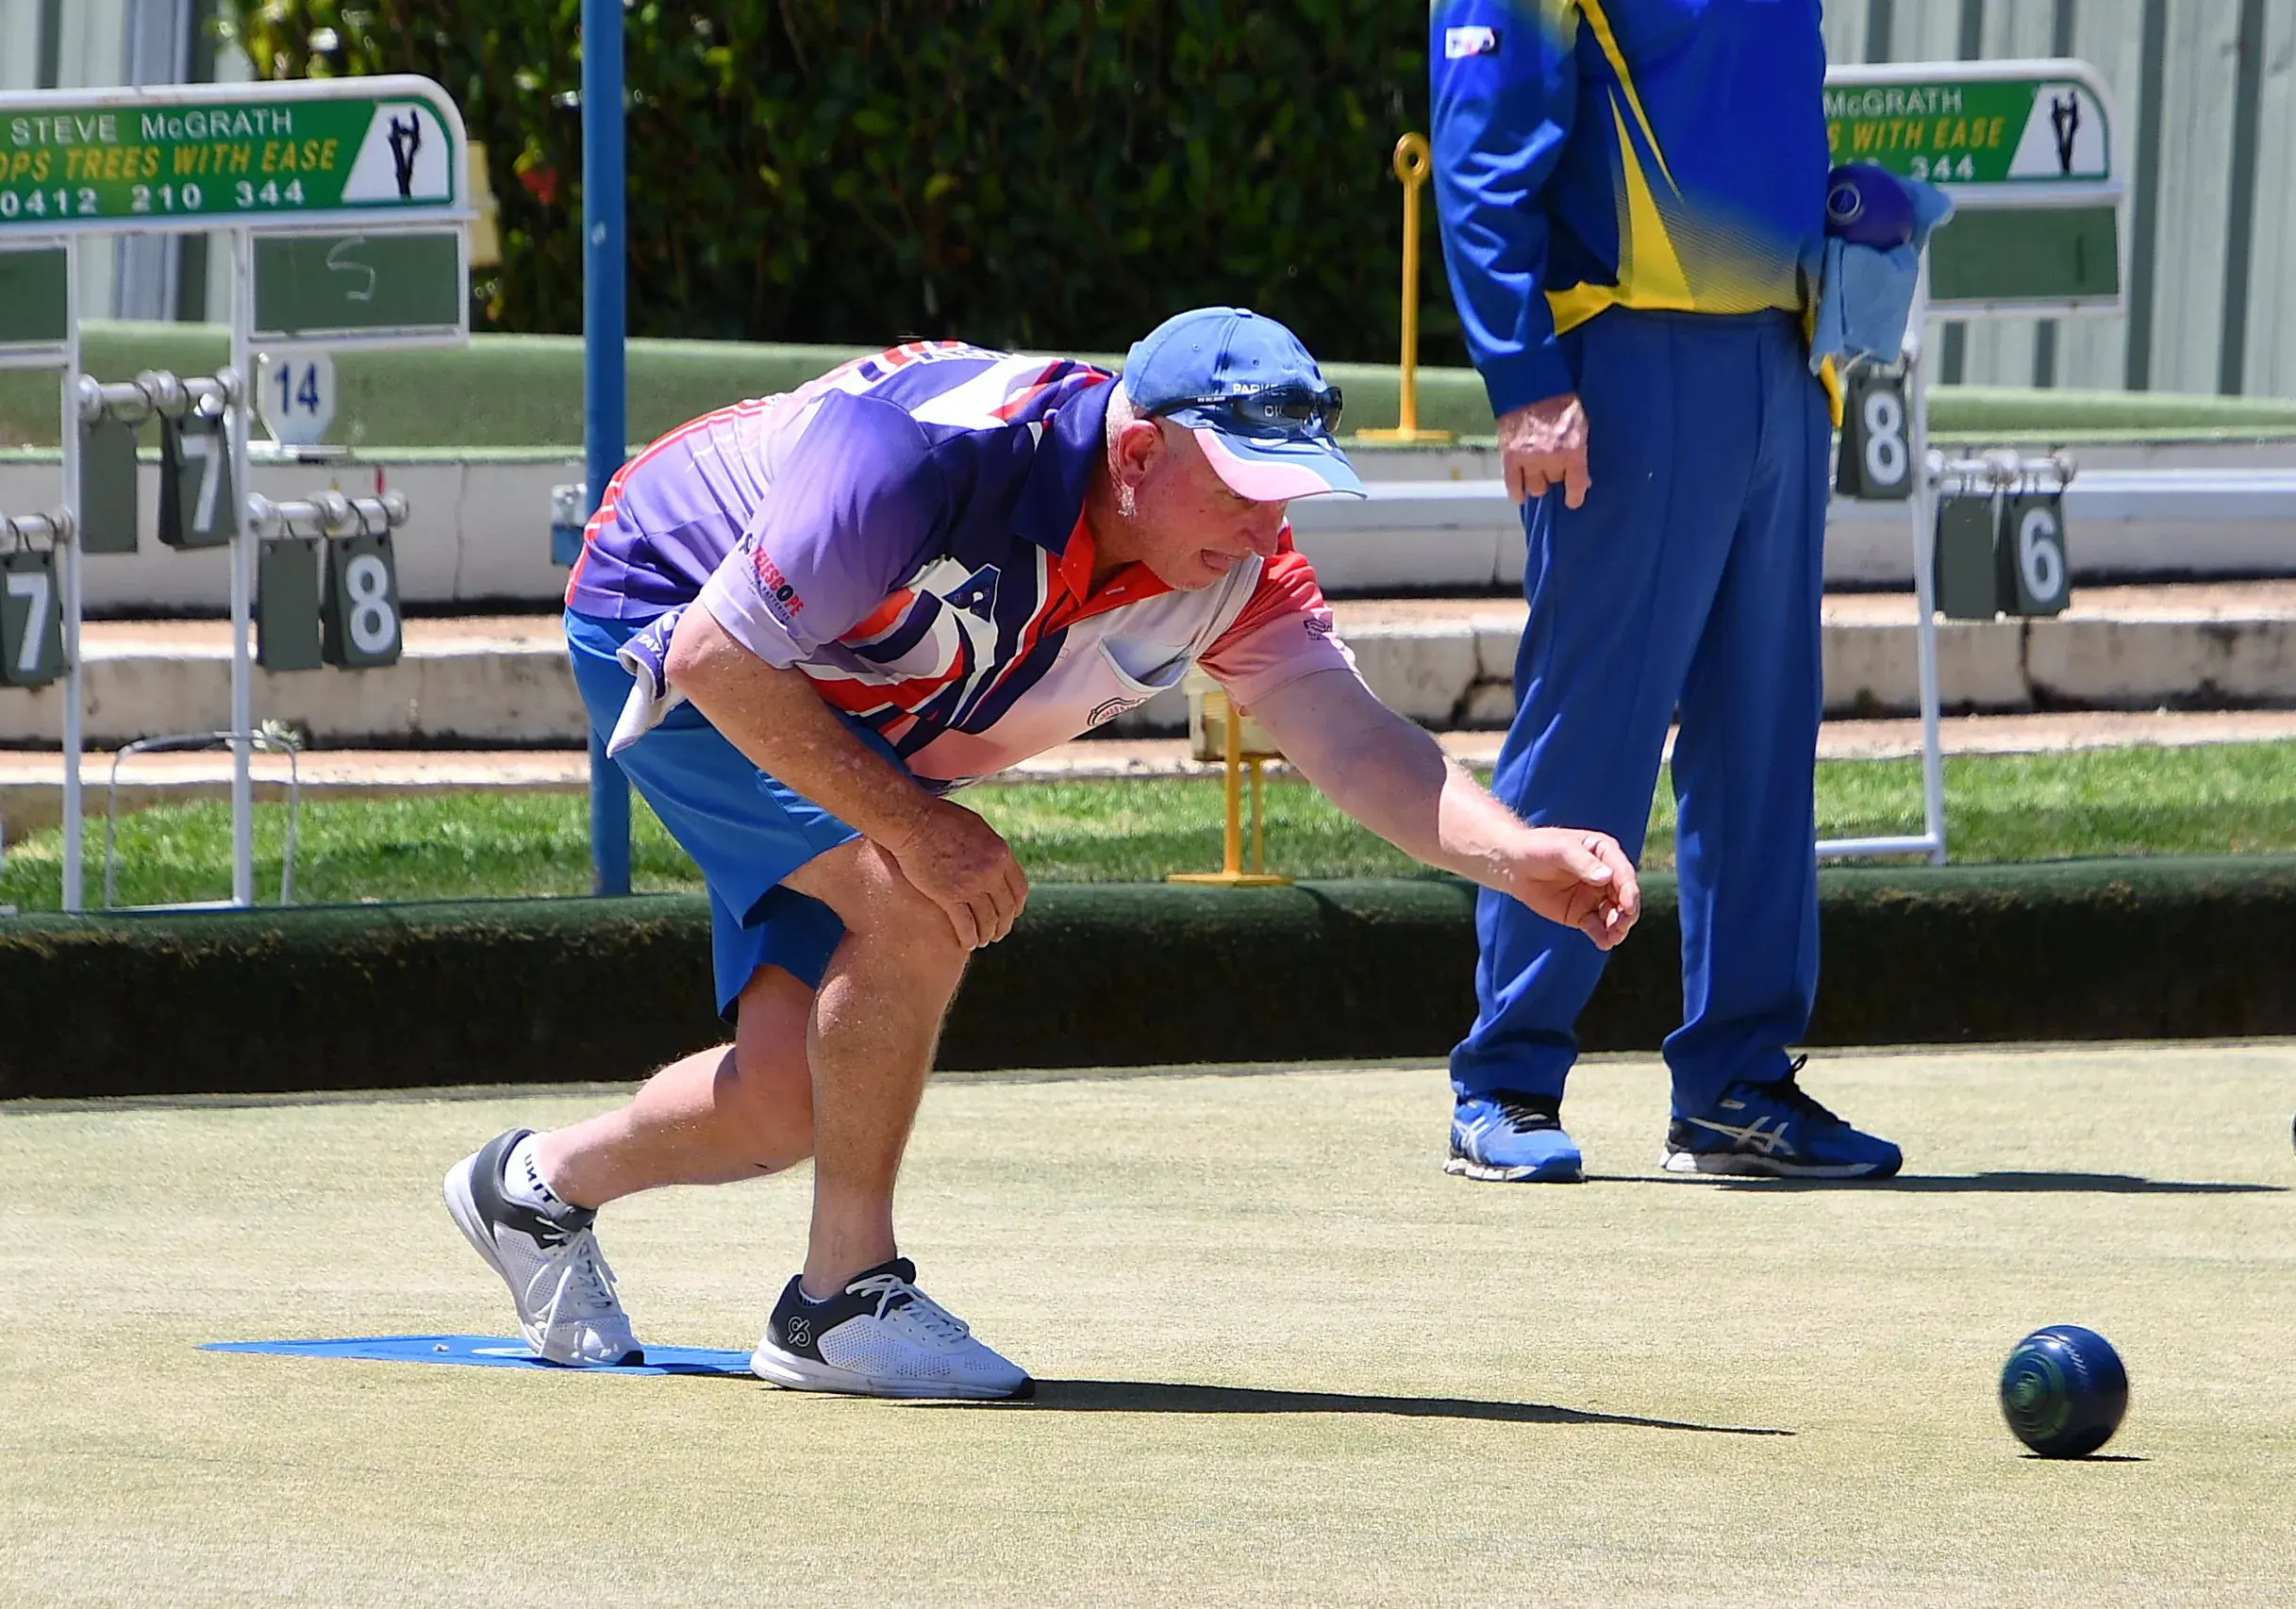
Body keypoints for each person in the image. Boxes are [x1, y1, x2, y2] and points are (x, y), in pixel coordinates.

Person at [444, 307, 1643, 1398]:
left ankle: (534, 1187)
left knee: (787, 1101)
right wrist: (917, 823)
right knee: (920, 892)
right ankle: (837, 1299)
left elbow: (1351, 735)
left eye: (1287, 490)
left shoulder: (1231, 563)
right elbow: (718, 655)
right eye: (1242, 485)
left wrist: (1513, 851)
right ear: (1139, 454)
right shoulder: (920, 456)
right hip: (675, 612)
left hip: (849, 680)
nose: (1266, 525)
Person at [1427, 3, 1903, 1182]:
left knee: (1763, 735)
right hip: (1625, 361)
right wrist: (1524, 378)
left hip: (1785, 356)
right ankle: (1505, 1077)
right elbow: (1479, 154)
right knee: (1595, 720)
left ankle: (1738, 1085)